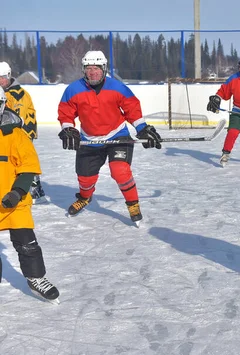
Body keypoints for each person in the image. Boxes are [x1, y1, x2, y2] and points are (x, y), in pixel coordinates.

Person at [57, 50, 162, 224]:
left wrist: (142, 129)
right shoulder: (74, 89)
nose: (93, 72)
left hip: (117, 136)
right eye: (89, 68)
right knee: (85, 177)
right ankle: (85, 197)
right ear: (83, 70)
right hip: (90, 139)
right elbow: (66, 112)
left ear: (104, 68)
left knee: (120, 171)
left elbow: (132, 109)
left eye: (97, 68)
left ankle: (133, 203)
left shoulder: (117, 87)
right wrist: (68, 129)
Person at [0, 88, 59, 302]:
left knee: (27, 243)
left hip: (14, 201)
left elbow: (28, 167)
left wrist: (17, 192)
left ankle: (36, 278)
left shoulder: (15, 134)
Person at [0, 61, 46, 203]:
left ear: (9, 76)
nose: (0, 80)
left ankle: (34, 192)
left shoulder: (18, 94)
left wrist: (26, 135)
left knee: (24, 162)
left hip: (19, 134)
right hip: (11, 134)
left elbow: (19, 118)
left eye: (2, 77)